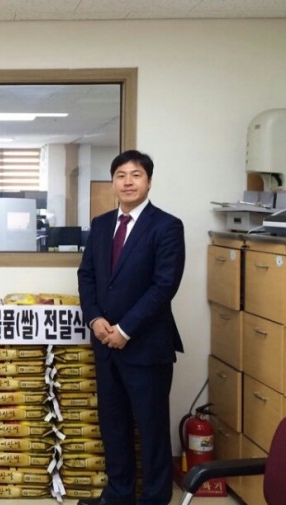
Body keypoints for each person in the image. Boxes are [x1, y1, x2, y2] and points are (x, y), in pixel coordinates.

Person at [77, 150, 185, 505]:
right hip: (105, 343)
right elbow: (87, 275)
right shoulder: (101, 224)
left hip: (146, 346)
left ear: (148, 181)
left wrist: (124, 330)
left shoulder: (167, 226)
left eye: (135, 175)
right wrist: (95, 319)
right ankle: (119, 494)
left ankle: (155, 498)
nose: (127, 182)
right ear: (113, 182)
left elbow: (164, 286)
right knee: (114, 424)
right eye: (120, 175)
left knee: (152, 428)